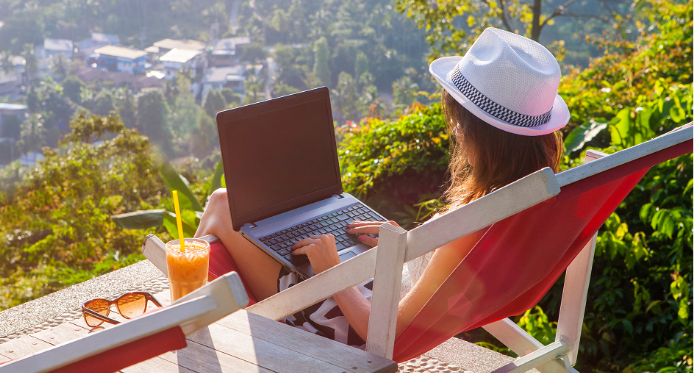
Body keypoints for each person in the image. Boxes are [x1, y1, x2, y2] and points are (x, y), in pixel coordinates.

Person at [195, 27, 570, 347]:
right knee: (251, 216)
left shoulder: (471, 227)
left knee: (222, 204)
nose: (455, 132)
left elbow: (386, 336)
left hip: (341, 326)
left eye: (460, 124)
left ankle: (180, 313)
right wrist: (409, 246)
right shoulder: (533, 202)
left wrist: (332, 273)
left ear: (485, 137)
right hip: (378, 289)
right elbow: (453, 278)